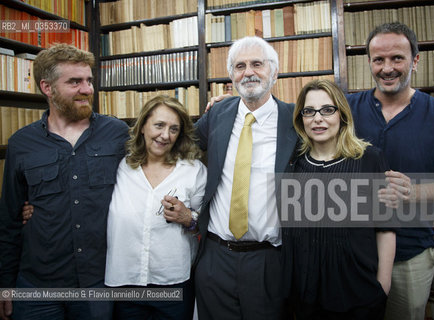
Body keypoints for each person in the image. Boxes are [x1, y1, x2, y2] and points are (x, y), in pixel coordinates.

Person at [347, 22, 434, 320]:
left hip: (410, 254)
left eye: (397, 58)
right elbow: (301, 118)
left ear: (415, 61)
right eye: (378, 60)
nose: (387, 68)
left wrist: (418, 193)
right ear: (369, 62)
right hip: (354, 252)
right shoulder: (348, 108)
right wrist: (239, 106)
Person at [0, 44, 129, 320]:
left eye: (89, 80)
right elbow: (9, 221)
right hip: (37, 287)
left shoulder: (117, 133)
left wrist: (221, 106)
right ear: (47, 87)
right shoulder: (22, 144)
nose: (87, 89)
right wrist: (6, 286)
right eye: (75, 82)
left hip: (100, 282)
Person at [193, 36, 298, 319]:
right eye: (240, 66)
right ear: (231, 76)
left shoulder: (295, 120)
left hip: (269, 260)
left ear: (273, 72)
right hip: (216, 258)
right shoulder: (217, 114)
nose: (248, 72)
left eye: (257, 64)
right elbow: (183, 147)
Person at [282, 79, 396, 319]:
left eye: (327, 110)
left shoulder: (370, 160)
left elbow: (385, 229)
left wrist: (382, 287)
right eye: (309, 111)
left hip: (358, 294)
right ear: (301, 118)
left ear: (342, 114)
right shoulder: (292, 163)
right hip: (304, 296)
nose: (318, 118)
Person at [104, 95, 206, 320]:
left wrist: (188, 218)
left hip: (173, 283)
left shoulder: (193, 170)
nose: (165, 135)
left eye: (173, 129)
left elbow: (207, 225)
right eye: (159, 125)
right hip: (126, 282)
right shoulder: (120, 166)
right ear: (142, 127)